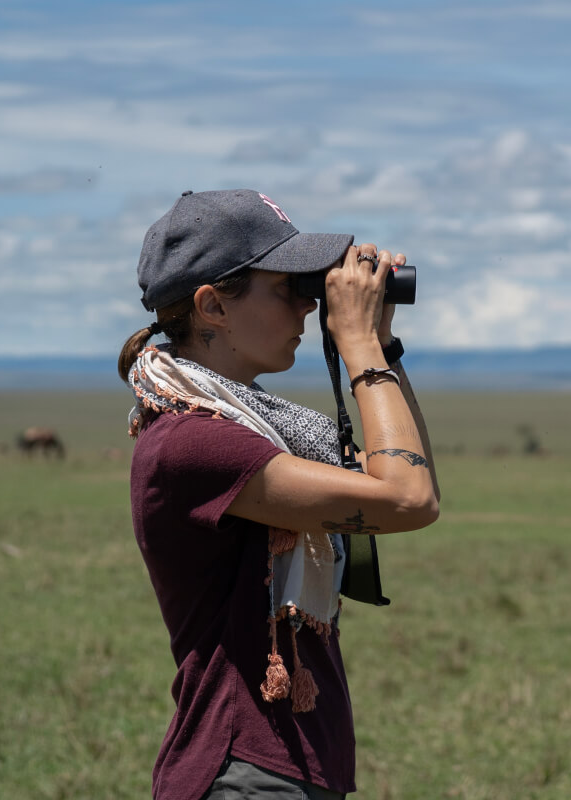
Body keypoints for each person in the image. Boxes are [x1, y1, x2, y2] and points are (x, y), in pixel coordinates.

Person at [117, 189, 440, 800]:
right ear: (212, 306)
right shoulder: (193, 444)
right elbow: (408, 498)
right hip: (246, 771)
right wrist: (361, 349)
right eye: (286, 288)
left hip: (280, 766)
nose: (305, 309)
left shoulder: (255, 431)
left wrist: (383, 346)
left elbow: (404, 474)